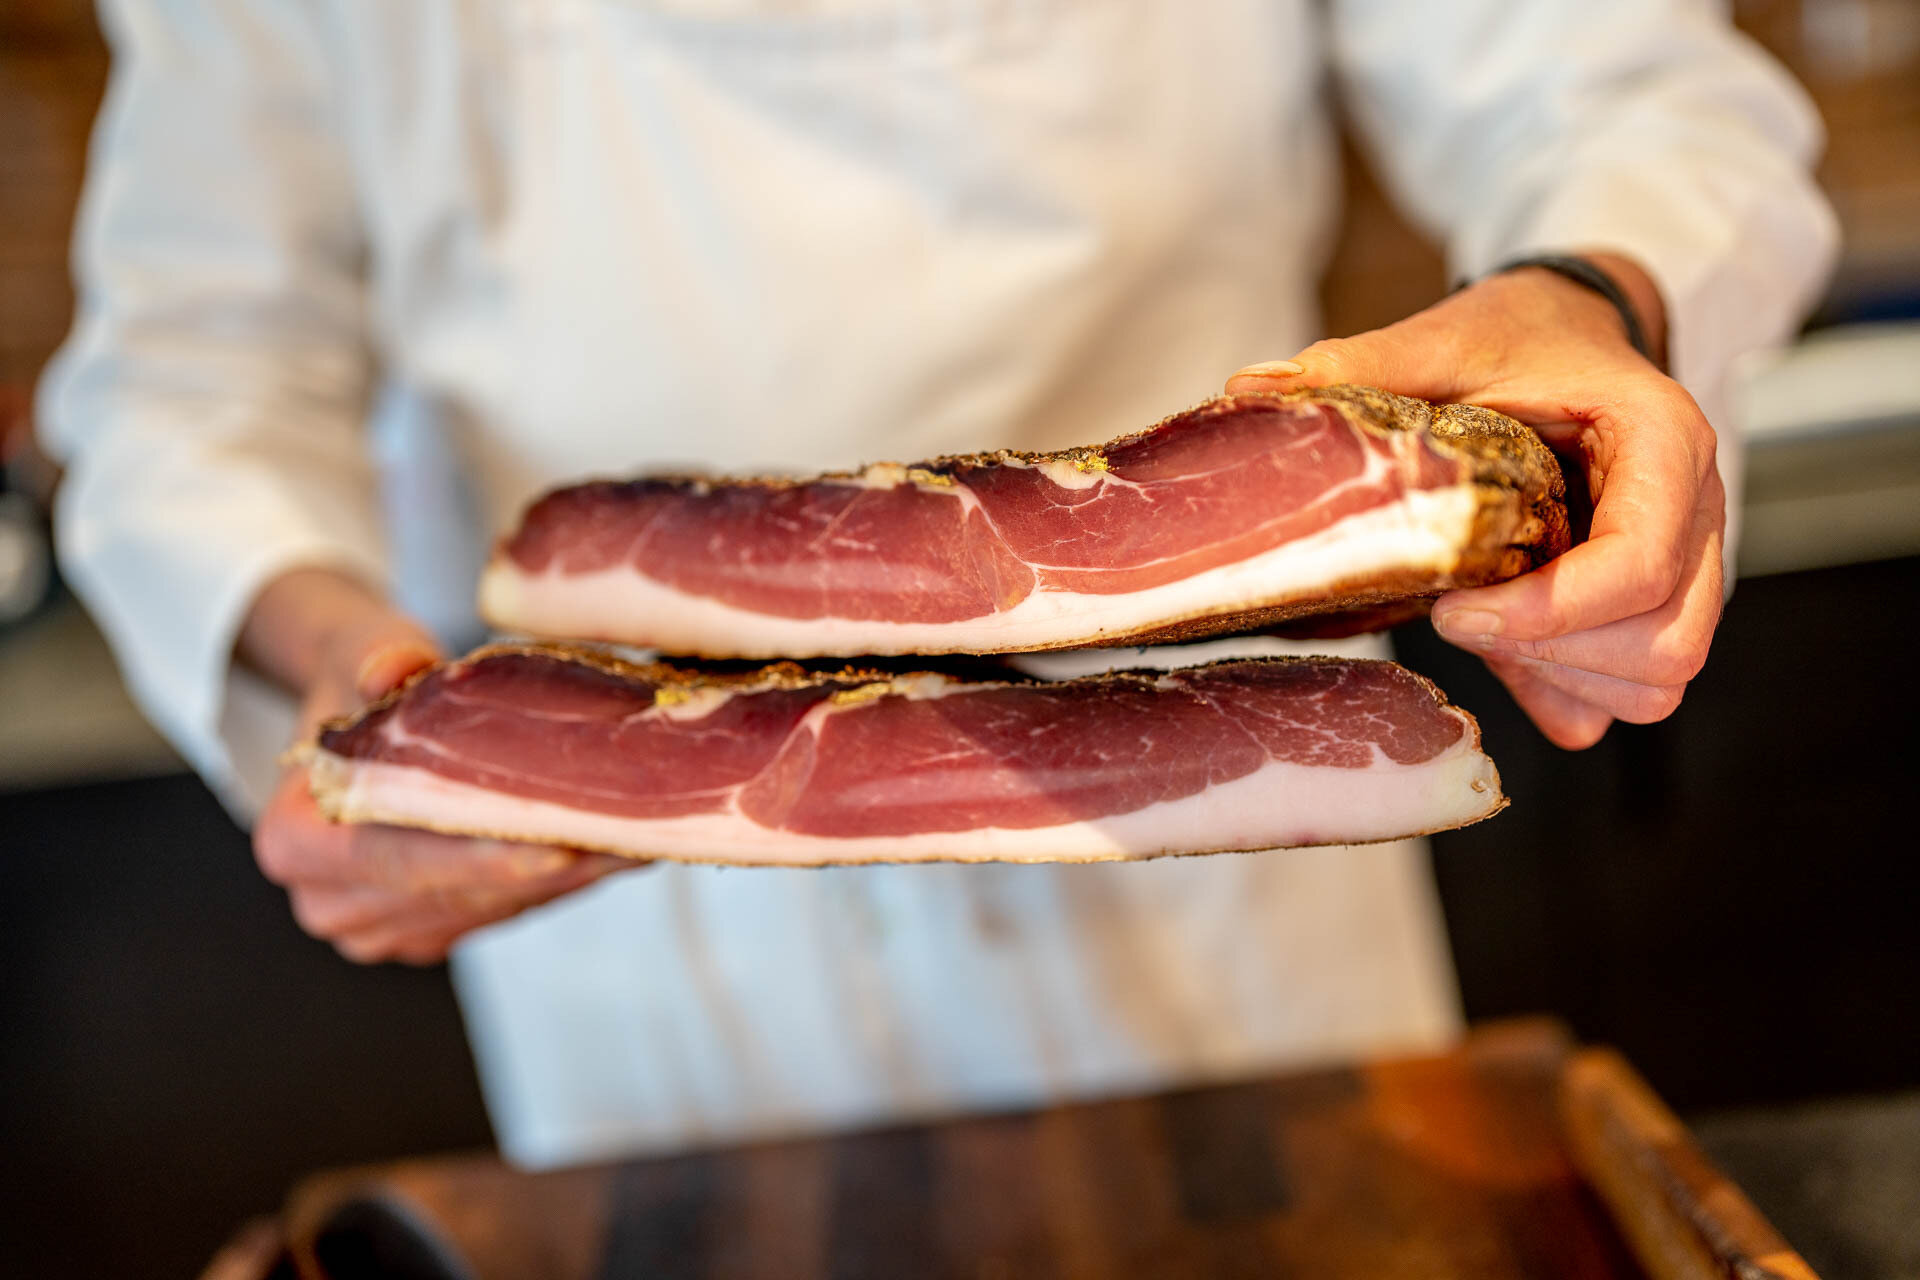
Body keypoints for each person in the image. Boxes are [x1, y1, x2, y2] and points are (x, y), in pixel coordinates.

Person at [41, 0, 1834, 1167]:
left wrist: (1596, 295)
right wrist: (342, 676)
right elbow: (189, 373)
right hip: (647, 934)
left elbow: (1620, 89)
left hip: (1223, 869)